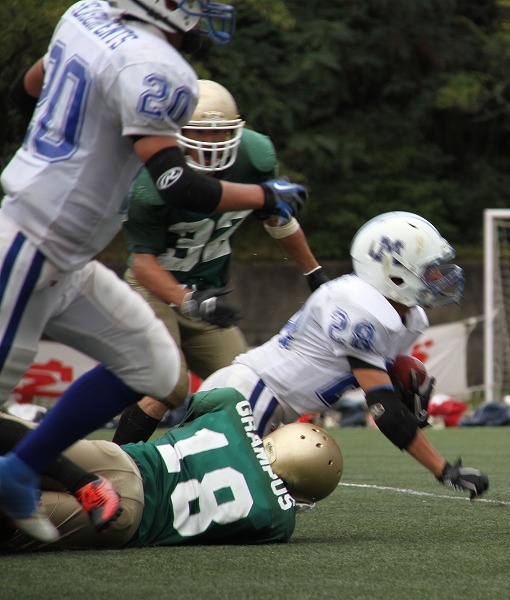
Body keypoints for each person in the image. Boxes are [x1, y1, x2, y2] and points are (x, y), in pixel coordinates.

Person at [0, 0, 308, 542]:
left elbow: (24, 93)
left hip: (70, 257)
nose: (201, 11)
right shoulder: (157, 67)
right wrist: (265, 195)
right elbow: (177, 183)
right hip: (28, 245)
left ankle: (20, 469)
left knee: (157, 369)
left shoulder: (84, 15)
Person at [197, 211, 489, 498]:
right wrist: (443, 470)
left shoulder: (405, 316)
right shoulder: (362, 310)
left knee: (265, 504)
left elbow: (383, 378)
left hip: (268, 404)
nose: (438, 277)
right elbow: (385, 410)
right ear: (395, 275)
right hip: (247, 398)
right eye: (429, 269)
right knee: (224, 503)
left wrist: (402, 376)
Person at [112, 79, 326, 446]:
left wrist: (314, 272)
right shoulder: (151, 180)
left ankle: (220, 467)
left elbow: (277, 218)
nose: (211, 143)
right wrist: (189, 301)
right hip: (155, 291)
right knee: (169, 386)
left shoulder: (254, 154)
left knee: (244, 389)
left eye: (220, 132)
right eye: (201, 132)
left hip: (207, 293)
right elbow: (144, 264)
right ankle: (118, 462)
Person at [0, 387, 343, 551]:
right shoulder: (278, 520)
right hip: (130, 517)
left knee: (21, 444)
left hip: (120, 458)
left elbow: (164, 402)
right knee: (15, 520)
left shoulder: (232, 404)